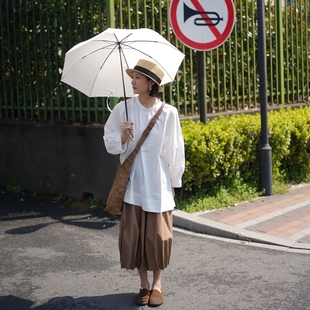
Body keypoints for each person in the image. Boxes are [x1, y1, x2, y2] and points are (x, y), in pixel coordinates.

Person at [103, 59, 185, 307]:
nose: (133, 81)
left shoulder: (169, 113)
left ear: (152, 83)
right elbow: (110, 144)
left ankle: (158, 285)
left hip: (158, 182)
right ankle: (143, 286)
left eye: (138, 77)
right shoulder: (122, 110)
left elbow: (174, 150)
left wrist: (173, 181)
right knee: (135, 236)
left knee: (158, 237)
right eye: (133, 76)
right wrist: (122, 135)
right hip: (133, 184)